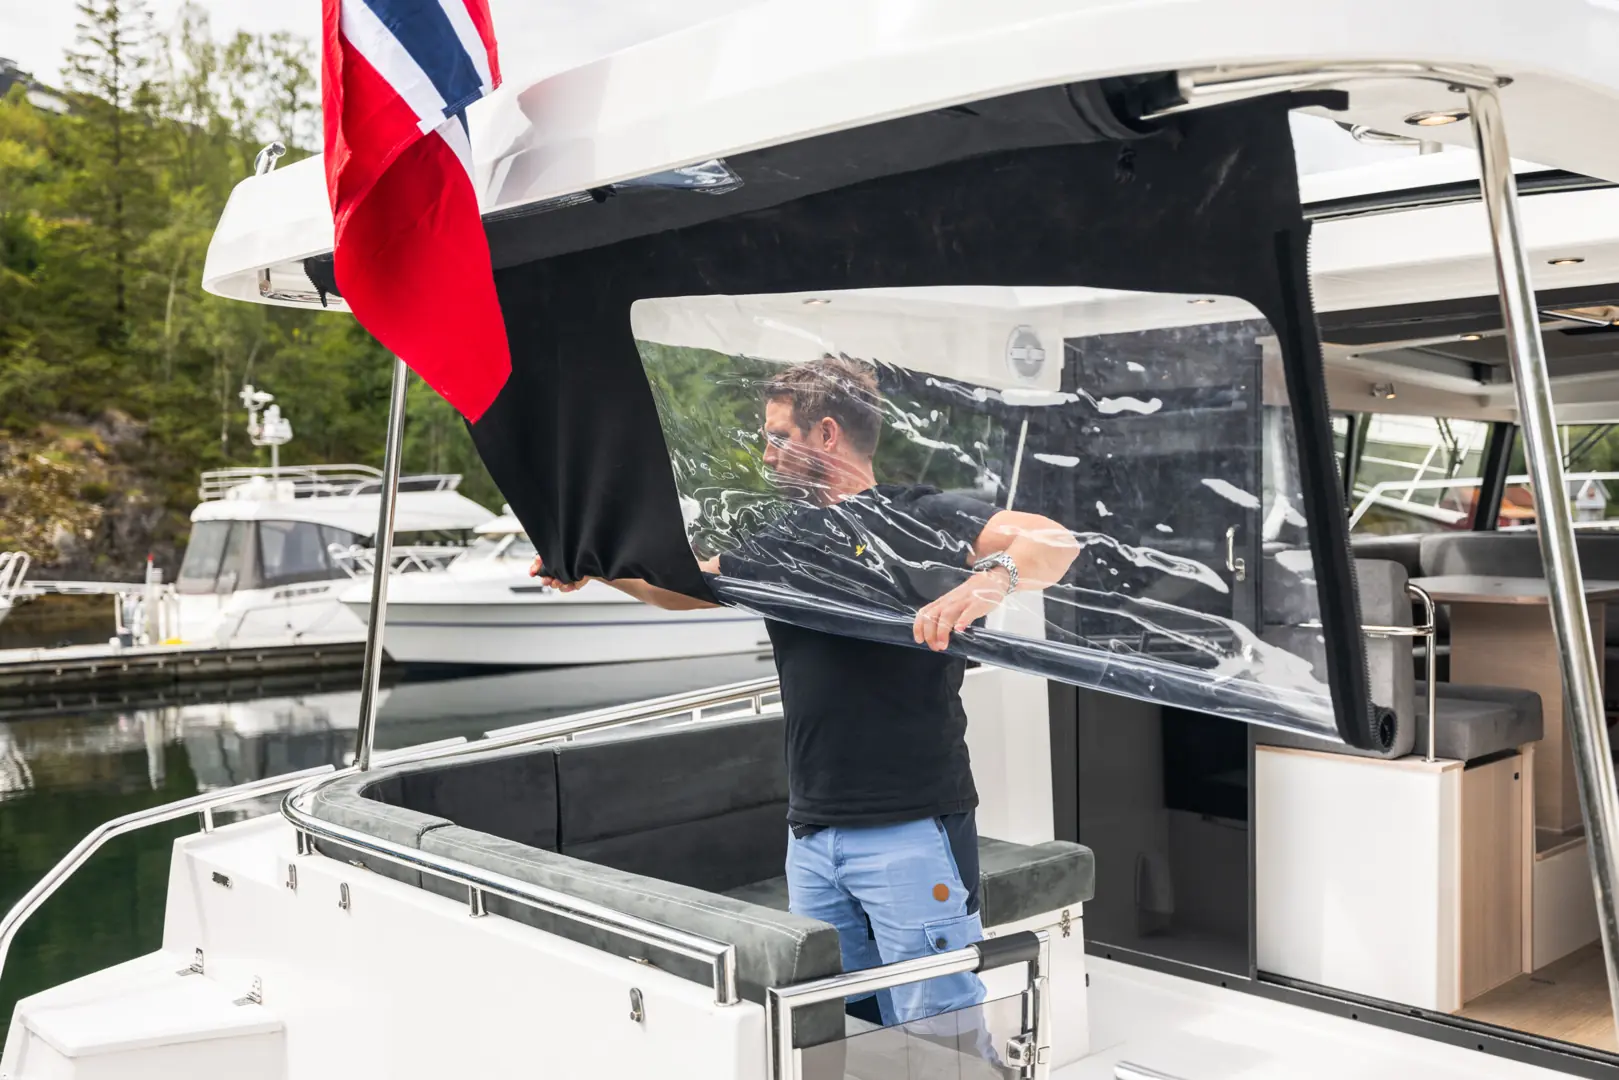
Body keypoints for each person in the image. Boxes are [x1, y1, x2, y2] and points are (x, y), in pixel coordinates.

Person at [531, 354, 1080, 1029]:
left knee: (939, 1029)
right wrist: (590, 565)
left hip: (911, 824)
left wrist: (988, 581)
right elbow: (676, 589)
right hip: (813, 835)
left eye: (778, 436)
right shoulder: (783, 542)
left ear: (826, 433)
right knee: (833, 1026)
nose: (767, 455)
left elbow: (1053, 541)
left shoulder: (918, 516)